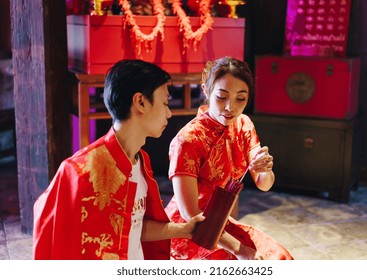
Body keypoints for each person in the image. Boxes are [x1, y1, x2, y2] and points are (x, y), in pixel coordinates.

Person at [33, 59, 204, 260]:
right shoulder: (79, 171)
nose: (168, 113)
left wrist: (184, 229)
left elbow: (132, 226)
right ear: (140, 102)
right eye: (165, 103)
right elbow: (55, 242)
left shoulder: (141, 161)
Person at [165, 56, 294, 260]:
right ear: (206, 91)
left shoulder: (243, 125)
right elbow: (191, 213)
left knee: (280, 258)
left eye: (240, 99)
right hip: (191, 230)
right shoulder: (187, 140)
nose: (230, 107)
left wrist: (265, 169)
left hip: (222, 223)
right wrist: (239, 249)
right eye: (222, 97)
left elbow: (264, 184)